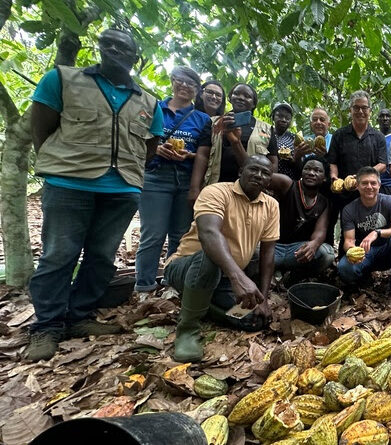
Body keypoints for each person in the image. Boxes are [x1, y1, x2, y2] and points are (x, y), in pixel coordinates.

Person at [26, 28, 164, 361]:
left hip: (121, 189)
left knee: (102, 257)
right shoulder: (63, 79)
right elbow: (41, 128)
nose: (115, 50)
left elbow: (149, 147)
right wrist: (62, 164)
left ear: (135, 58)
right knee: (59, 254)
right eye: (108, 44)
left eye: (123, 47)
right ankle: (47, 326)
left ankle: (79, 316)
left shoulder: (148, 102)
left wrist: (129, 176)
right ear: (99, 48)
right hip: (69, 184)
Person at [165, 155, 279, 362]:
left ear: (269, 181)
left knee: (253, 320)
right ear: (240, 171)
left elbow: (267, 254)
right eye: (253, 169)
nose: (259, 175)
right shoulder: (216, 192)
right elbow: (209, 234)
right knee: (210, 258)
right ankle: (188, 328)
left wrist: (263, 299)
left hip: (224, 278)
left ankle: (204, 305)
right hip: (187, 267)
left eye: (265, 173)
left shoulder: (271, 205)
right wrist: (238, 277)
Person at [135, 66, 212, 296]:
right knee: (153, 233)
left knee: (180, 234)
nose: (185, 86)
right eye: (181, 81)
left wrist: (191, 169)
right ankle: (145, 286)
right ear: (172, 81)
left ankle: (171, 282)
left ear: (197, 91)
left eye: (192, 84)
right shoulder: (154, 108)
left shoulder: (202, 119)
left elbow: (204, 154)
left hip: (186, 178)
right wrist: (156, 149)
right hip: (156, 176)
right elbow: (136, 138)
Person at [326, 91, 388, 250]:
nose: (360, 111)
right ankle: (344, 256)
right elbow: (332, 162)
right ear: (350, 110)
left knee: (368, 226)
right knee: (345, 228)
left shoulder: (378, 137)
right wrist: (334, 177)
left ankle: (369, 256)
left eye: (364, 108)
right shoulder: (339, 135)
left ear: (370, 111)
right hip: (345, 192)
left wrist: (361, 178)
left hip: (368, 191)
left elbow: (382, 164)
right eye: (356, 107)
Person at [337, 167, 391, 295]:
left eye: (373, 183)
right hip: (364, 252)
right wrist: (353, 251)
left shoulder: (388, 201)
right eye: (364, 183)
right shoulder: (349, 209)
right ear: (357, 186)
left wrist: (377, 232)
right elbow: (348, 241)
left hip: (386, 250)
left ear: (379, 185)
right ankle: (362, 280)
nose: (369, 187)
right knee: (344, 268)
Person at [191, 83, 272, 191]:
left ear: (253, 103)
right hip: (216, 187)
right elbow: (203, 155)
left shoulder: (266, 129)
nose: (241, 98)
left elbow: (273, 162)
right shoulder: (213, 122)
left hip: (249, 191)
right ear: (230, 98)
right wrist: (194, 188)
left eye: (247, 96)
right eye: (236, 94)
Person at [268, 155, 335, 284]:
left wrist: (314, 244)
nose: (311, 173)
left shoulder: (324, 202)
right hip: (272, 247)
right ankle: (269, 274)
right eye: (307, 169)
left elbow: (320, 231)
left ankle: (293, 278)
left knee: (327, 254)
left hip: (297, 252)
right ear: (302, 172)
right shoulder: (287, 184)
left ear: (325, 178)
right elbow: (260, 175)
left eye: (317, 170)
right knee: (250, 251)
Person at [378, 108, 391, 195]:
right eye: (382, 116)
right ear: (377, 120)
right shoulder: (373, 138)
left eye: (387, 116)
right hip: (376, 184)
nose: (385, 118)